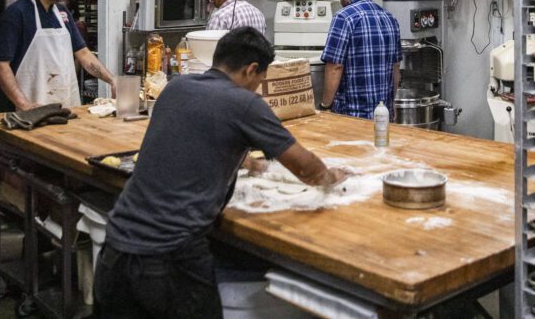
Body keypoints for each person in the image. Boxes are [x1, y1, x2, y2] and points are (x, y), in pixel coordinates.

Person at [94, 27, 348, 318]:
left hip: (114, 253)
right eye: (259, 81)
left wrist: (247, 162)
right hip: (169, 263)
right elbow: (305, 167)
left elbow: (197, 139)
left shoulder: (177, 88)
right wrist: (332, 177)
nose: (256, 89)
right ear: (251, 70)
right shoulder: (244, 103)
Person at [0, 0, 116, 111]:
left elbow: (83, 53)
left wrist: (112, 80)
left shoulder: (62, 12)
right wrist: (24, 105)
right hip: (33, 111)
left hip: (67, 105)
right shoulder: (16, 14)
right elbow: (1, 66)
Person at [320, 0, 402, 119]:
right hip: (383, 114)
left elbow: (335, 67)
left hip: (352, 116)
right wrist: (392, 104)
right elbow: (395, 68)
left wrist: (325, 106)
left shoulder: (344, 17)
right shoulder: (390, 18)